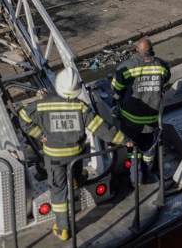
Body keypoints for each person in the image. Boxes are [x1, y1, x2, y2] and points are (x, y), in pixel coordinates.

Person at [19, 67, 131, 241]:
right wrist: (123, 139)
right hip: (76, 156)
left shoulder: (42, 106)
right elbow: (100, 128)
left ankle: (63, 228)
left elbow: (23, 118)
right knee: (76, 168)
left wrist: (39, 134)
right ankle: (77, 179)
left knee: (59, 190)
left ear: (58, 86)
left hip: (54, 158)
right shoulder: (81, 107)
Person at [112, 37, 172, 185]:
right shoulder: (162, 66)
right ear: (151, 51)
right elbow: (165, 84)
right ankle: (148, 175)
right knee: (148, 153)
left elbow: (116, 89)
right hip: (151, 121)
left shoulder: (126, 67)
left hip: (131, 121)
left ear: (136, 50)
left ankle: (136, 182)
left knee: (133, 153)